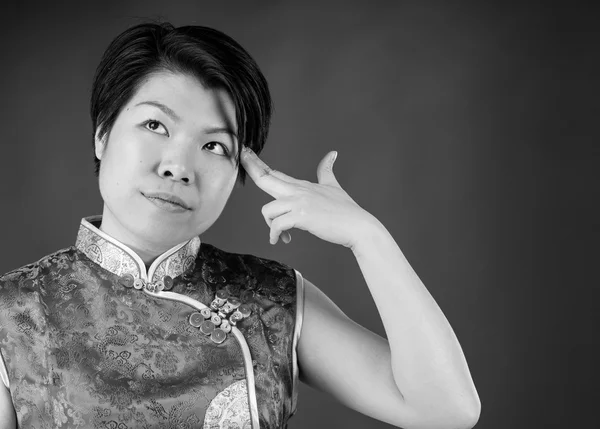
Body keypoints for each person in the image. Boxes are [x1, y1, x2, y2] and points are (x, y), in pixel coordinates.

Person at [0, 22, 480, 429]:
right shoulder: (15, 312)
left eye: (214, 147)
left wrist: (368, 237)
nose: (178, 166)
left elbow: (447, 411)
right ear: (103, 134)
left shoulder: (270, 299)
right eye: (155, 126)